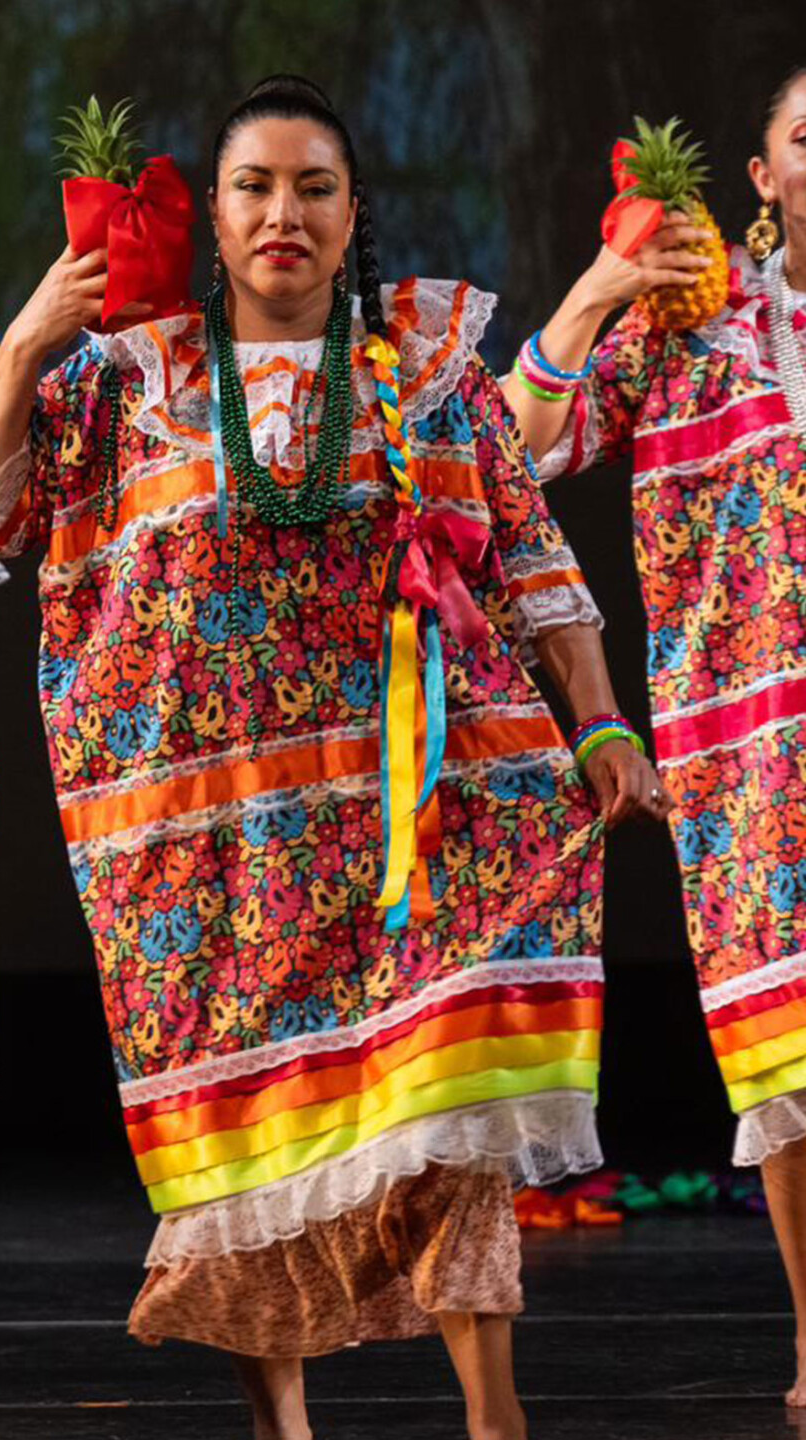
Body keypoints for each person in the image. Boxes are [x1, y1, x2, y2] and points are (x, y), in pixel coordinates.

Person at [0, 75, 666, 1440]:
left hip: (415, 814)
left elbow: (528, 550)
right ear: (210, 218)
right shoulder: (127, 379)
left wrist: (605, 718)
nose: (284, 213)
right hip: (205, 846)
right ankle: (283, 1425)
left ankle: (494, 1419)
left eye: (313, 187)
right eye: (254, 188)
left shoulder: (425, 368)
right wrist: (25, 348)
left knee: (449, 1104)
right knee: (247, 1146)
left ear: (352, 213)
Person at [501, 64, 806, 1409]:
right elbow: (518, 450)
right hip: (752, 750)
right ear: (760, 177)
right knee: (789, 1055)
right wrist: (601, 289)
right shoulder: (693, 323)